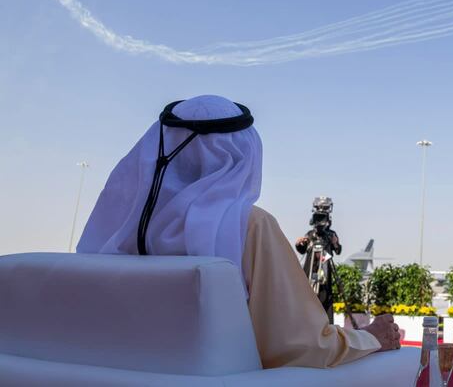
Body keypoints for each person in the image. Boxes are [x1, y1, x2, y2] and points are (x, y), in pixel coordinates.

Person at [76, 95, 400, 369]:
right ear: (243, 152)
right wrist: (370, 336)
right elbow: (301, 345)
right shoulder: (248, 227)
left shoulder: (117, 223)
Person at [295, 196, 342, 323]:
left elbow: (338, 251)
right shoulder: (310, 234)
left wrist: (335, 243)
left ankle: (327, 325)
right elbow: (302, 250)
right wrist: (300, 244)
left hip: (325, 273)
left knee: (325, 297)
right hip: (310, 270)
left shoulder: (331, 234)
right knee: (307, 296)